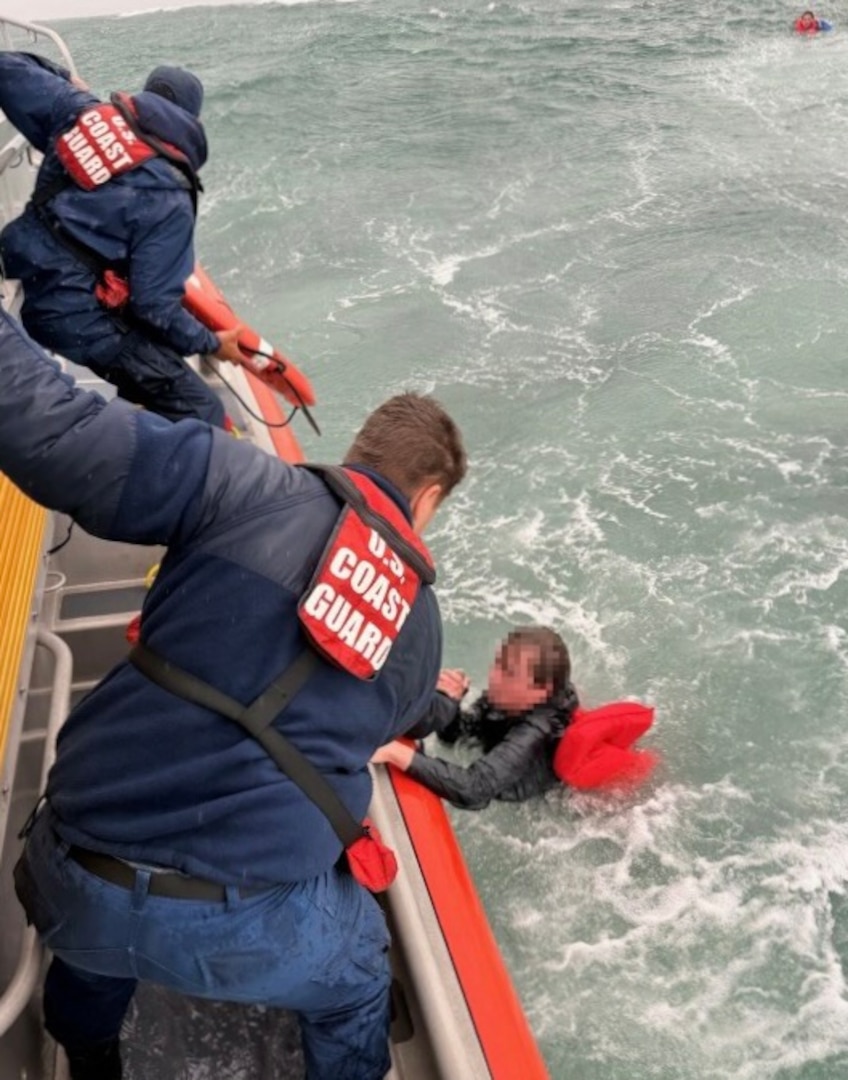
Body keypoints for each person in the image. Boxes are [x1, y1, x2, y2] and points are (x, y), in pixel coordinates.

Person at [0, 308, 467, 1080]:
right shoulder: (418, 625)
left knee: (89, 947)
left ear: (357, 455)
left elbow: (52, 431)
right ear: (426, 501)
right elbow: (403, 719)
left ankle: (89, 1059)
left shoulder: (239, 480)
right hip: (244, 926)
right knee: (357, 977)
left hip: (73, 878)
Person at [0, 53, 244, 427]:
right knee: (202, 409)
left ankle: (138, 413)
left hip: (21, 269)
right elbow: (154, 307)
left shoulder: (80, 111)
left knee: (152, 356)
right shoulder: (171, 196)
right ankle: (134, 451)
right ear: (190, 120)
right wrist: (212, 343)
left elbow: (6, 67)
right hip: (73, 319)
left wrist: (64, 77)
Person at [373, 627, 579, 810]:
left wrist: (396, 753)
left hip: (546, 805)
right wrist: (451, 702)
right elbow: (456, 738)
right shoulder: (506, 699)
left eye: (509, 673)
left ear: (541, 691)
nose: (494, 677)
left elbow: (475, 790)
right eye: (498, 663)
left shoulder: (537, 732)